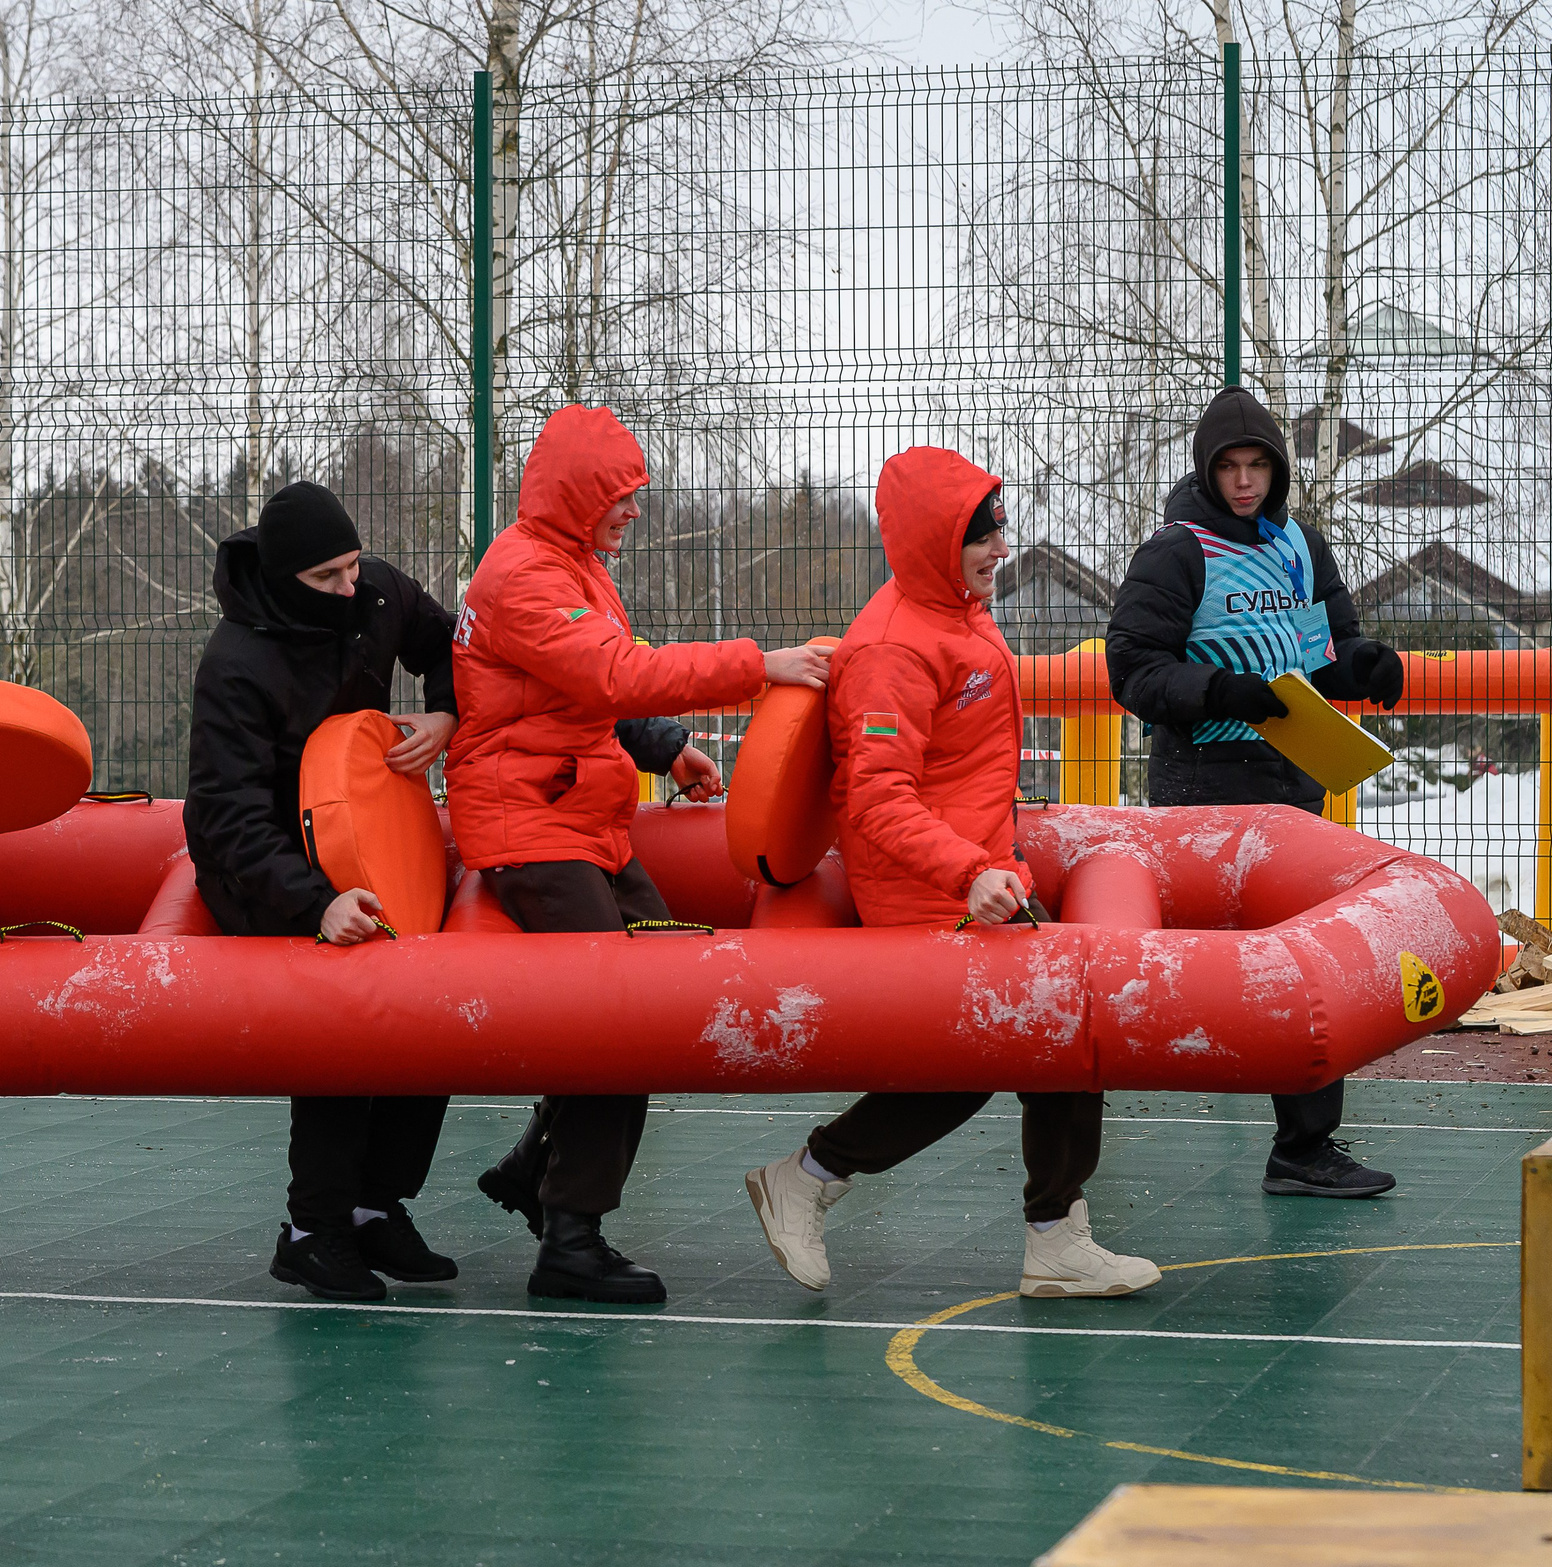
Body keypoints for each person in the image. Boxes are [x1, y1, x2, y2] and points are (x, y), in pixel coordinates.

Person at [744, 450, 1162, 1299]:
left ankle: (1048, 1231)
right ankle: (826, 1177)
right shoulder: (893, 647)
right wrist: (969, 869)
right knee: (1033, 1038)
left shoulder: (961, 611)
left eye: (1000, 525)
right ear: (939, 542)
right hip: (929, 893)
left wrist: (992, 861)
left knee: (1044, 1044)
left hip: (981, 880)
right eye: (983, 533)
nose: (1001, 545)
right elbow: (875, 799)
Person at [451, 404, 833, 1304]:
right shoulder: (526, 576)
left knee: (651, 1000)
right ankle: (570, 1239)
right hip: (533, 831)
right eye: (620, 497)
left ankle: (531, 1165)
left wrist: (662, 747)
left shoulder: (569, 562)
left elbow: (590, 688)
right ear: (580, 495)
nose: (632, 511)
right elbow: (614, 672)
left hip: (577, 818)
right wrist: (757, 666)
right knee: (620, 1018)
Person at [1103, 386, 1404, 1199]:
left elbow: (1327, 651)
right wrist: (1219, 691)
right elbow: (1130, 667)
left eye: (1258, 466)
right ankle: (1080, 1114)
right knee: (1192, 970)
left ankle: (1306, 1147)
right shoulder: (1177, 549)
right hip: (1204, 785)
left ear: (1278, 469)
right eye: (1230, 468)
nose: (1245, 482)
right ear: (1207, 472)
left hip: (1292, 780)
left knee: (1303, 961)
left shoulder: (1302, 545)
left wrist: (1367, 667)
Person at [185, 480, 461, 1303]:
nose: (351, 588)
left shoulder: (374, 593)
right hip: (263, 866)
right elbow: (227, 818)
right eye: (328, 578)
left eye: (352, 568)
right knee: (350, 1011)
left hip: (363, 833)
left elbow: (451, 641)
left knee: (430, 999)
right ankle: (313, 1230)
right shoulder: (235, 664)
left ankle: (377, 1206)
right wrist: (315, 903)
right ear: (281, 580)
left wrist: (444, 711)